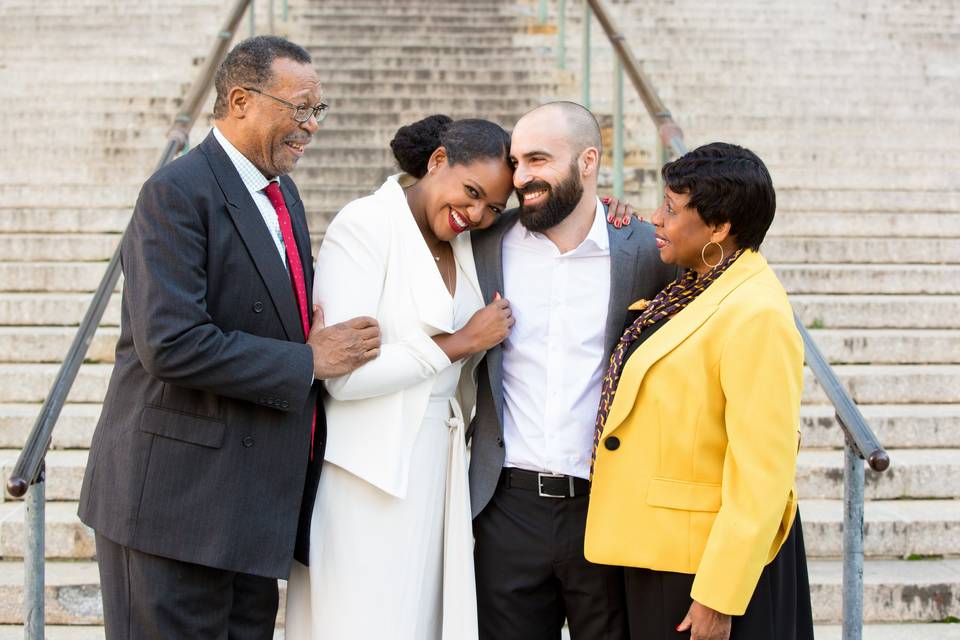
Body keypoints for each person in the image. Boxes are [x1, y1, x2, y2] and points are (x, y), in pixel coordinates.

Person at [77, 36, 381, 639]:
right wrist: (306, 361)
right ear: (241, 99)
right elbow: (171, 343)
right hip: (171, 508)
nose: (311, 126)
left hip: (248, 514)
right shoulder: (175, 192)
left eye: (319, 110)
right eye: (300, 108)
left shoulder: (281, 192)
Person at [283, 115, 516, 639]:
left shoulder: (464, 243)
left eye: (494, 208)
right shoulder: (367, 224)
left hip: (438, 464)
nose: (476, 214)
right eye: (471, 192)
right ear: (437, 162)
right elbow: (343, 379)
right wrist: (459, 343)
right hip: (366, 473)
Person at [585, 142, 814, 640]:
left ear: (719, 228)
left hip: (704, 569)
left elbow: (764, 471)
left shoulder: (757, 313)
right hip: (663, 548)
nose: (655, 218)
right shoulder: (695, 284)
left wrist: (719, 594)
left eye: (670, 208)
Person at [467, 101, 678, 640]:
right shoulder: (486, 242)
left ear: (588, 161)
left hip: (605, 506)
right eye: (516, 163)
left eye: (538, 159)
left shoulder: (644, 251)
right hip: (505, 507)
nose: (521, 177)